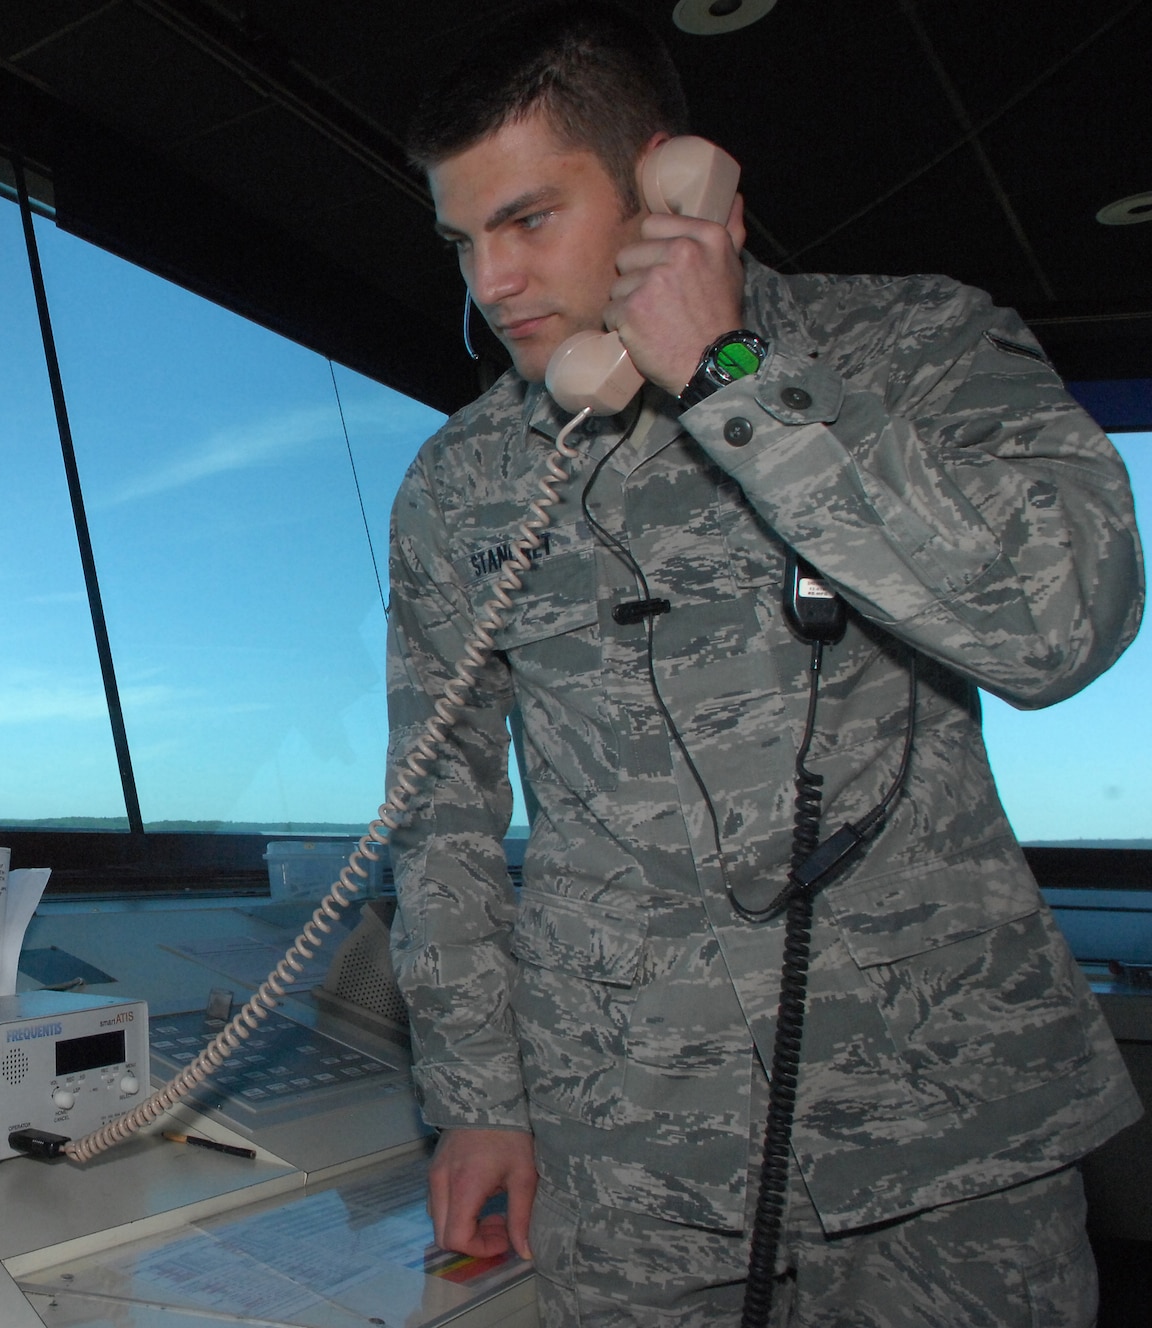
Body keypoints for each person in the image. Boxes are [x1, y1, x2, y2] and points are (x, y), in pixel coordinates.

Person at [383, 3, 1144, 1323]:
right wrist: (476, 1099)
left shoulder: (915, 345)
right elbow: (438, 813)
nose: (489, 283)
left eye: (527, 221)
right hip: (635, 1164)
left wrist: (741, 377)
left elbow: (1061, 617)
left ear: (668, 184)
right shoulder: (460, 490)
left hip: (947, 1144)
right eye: (463, 240)